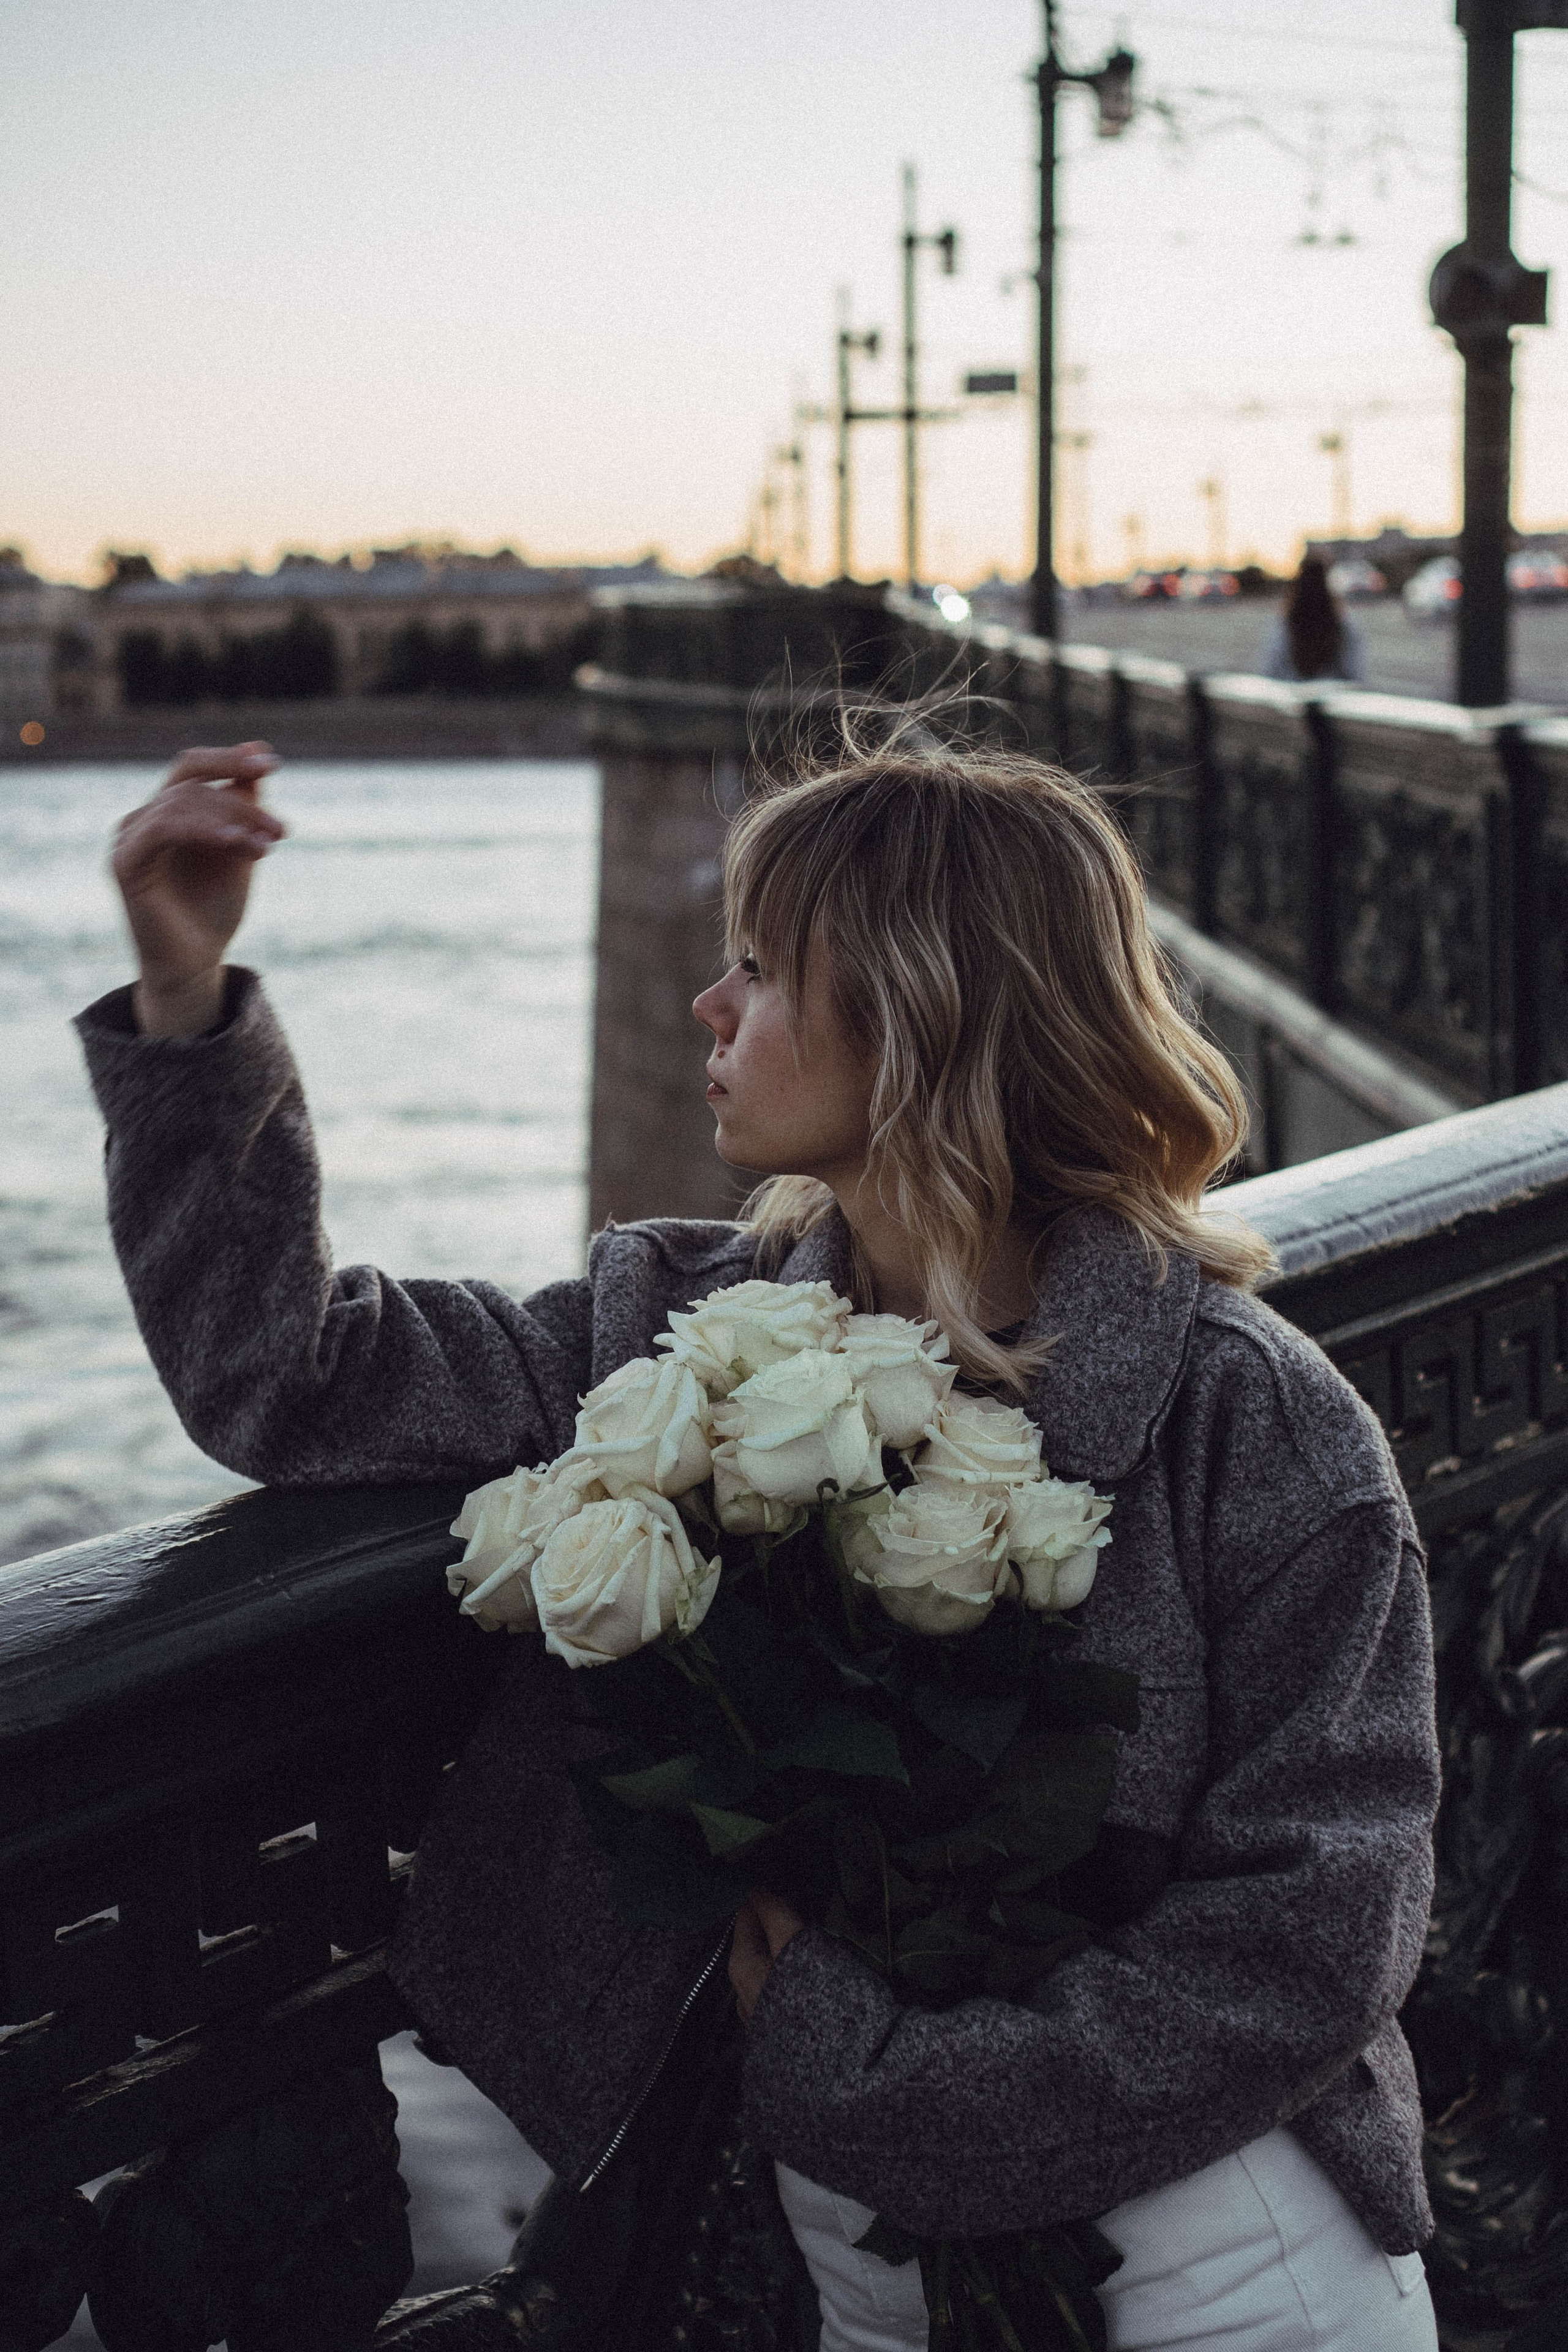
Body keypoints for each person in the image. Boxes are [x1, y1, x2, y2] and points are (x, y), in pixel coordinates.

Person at [81, 731, 1441, 2351]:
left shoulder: (1255, 1425)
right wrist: (187, 1000)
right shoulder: (681, 1328)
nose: (708, 1009)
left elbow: (1318, 1929)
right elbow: (290, 1381)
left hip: (1219, 2264)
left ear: (923, 1015)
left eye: (760, 968)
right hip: (849, 2267)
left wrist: (894, 2087)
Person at [1261, 554, 1366, 684]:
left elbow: (1270, 671)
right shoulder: (1343, 623)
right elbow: (1354, 673)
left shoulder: (1286, 623)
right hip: (1332, 695)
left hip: (1292, 694)